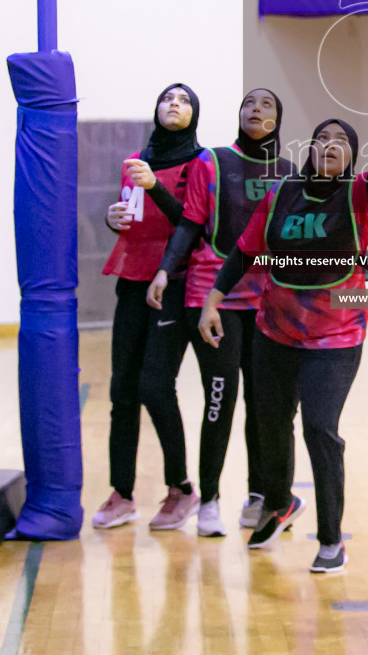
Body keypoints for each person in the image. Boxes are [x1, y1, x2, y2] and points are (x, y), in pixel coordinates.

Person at [200, 111, 368, 574]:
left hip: (335, 334)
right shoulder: (280, 193)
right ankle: (280, 501)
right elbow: (246, 250)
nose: (329, 144)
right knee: (269, 424)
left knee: (319, 430)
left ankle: (331, 540)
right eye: (321, 138)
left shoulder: (359, 195)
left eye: (340, 140)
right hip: (275, 328)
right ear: (309, 150)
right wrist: (213, 300)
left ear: (351, 155)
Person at [148, 88, 295, 538]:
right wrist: (163, 271)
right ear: (237, 114)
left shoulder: (290, 174)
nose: (256, 110)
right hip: (213, 297)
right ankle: (208, 499)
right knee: (221, 396)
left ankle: (260, 497)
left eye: (268, 104)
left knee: (265, 403)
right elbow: (190, 223)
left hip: (269, 302)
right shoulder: (211, 162)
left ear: (278, 119)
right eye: (249, 103)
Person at [91, 84, 205, 532]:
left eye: (183, 100)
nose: (173, 104)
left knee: (155, 386)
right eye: (167, 98)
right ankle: (122, 493)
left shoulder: (201, 164)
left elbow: (190, 221)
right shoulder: (135, 163)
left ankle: (182, 489)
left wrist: (155, 186)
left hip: (173, 281)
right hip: (131, 279)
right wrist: (111, 217)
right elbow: (132, 215)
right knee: (122, 390)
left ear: (194, 113)